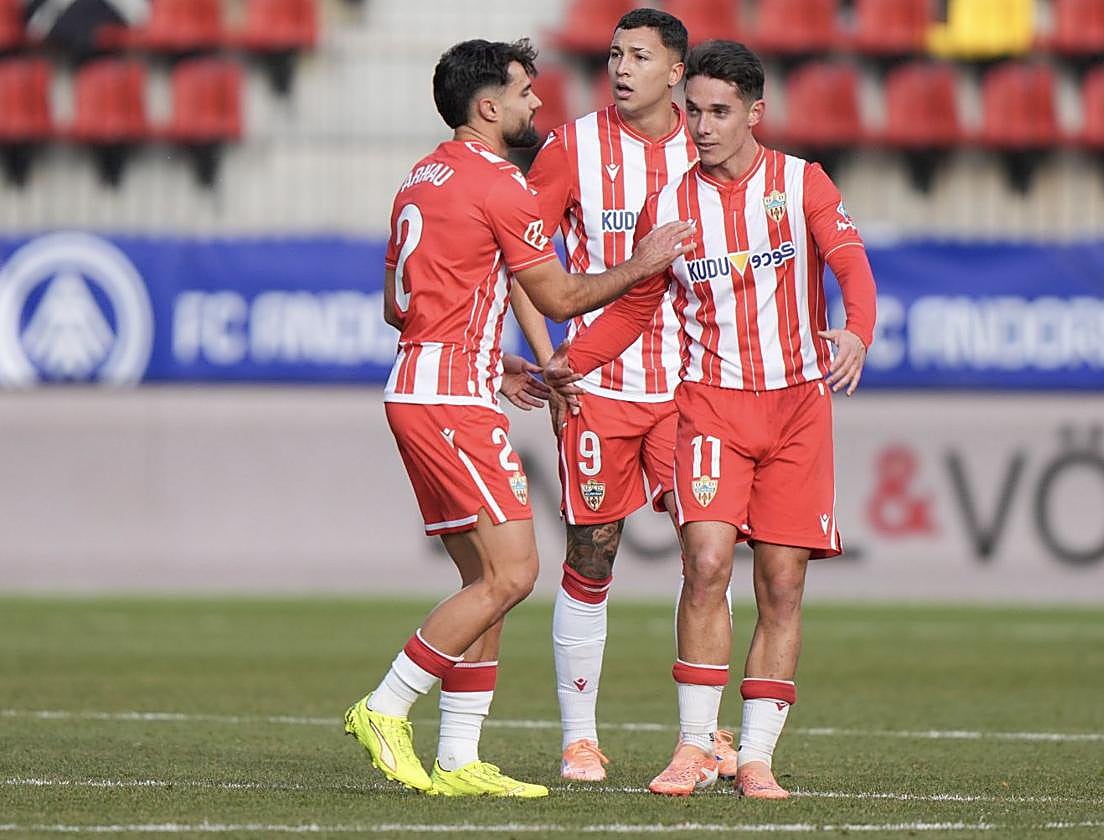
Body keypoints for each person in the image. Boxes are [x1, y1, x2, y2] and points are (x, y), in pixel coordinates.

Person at [343, 37, 694, 799]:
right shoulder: (502, 184)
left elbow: (399, 305)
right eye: (526, 92)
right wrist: (646, 260)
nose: (539, 104)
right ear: (489, 106)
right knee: (515, 573)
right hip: (449, 404)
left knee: (484, 581)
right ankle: (385, 706)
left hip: (430, 384)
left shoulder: (421, 176)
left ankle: (459, 755)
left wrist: (491, 357)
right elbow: (562, 297)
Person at [546, 39, 877, 799]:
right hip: (710, 410)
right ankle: (695, 745)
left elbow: (852, 263)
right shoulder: (670, 208)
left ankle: (754, 755)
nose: (701, 125)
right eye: (692, 109)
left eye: (719, 112)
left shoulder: (801, 184)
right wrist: (576, 358)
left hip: (797, 410)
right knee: (704, 563)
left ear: (755, 113)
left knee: (783, 584)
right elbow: (635, 306)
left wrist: (856, 328)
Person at [515, 7, 736, 784]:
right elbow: (523, 259)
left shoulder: (709, 144)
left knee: (708, 556)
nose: (620, 67)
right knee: (591, 553)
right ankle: (580, 738)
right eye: (614, 54)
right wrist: (548, 362)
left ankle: (703, 738)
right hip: (600, 388)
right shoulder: (572, 145)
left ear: (677, 71)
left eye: (639, 56)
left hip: (695, 386)